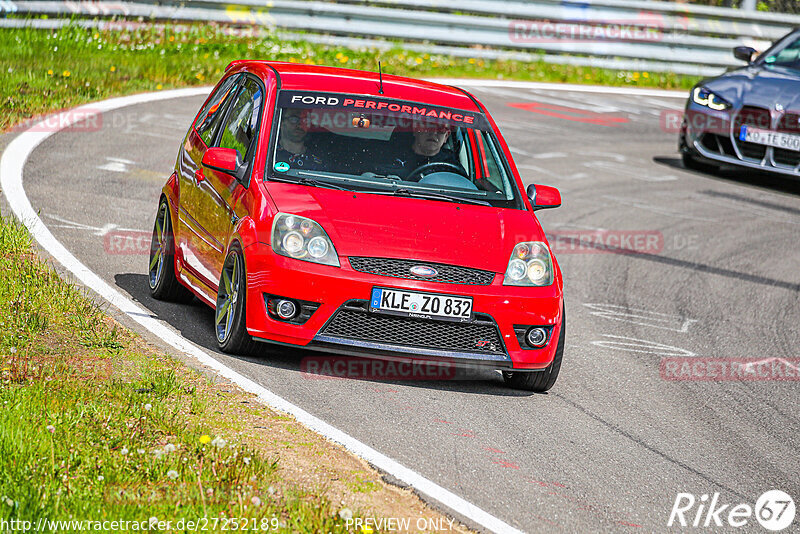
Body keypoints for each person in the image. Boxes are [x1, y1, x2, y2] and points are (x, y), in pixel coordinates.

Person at [388, 121, 464, 180]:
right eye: (428, 127)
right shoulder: (393, 156)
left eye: (441, 129)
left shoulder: (452, 166)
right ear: (416, 130)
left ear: (446, 136)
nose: (433, 133)